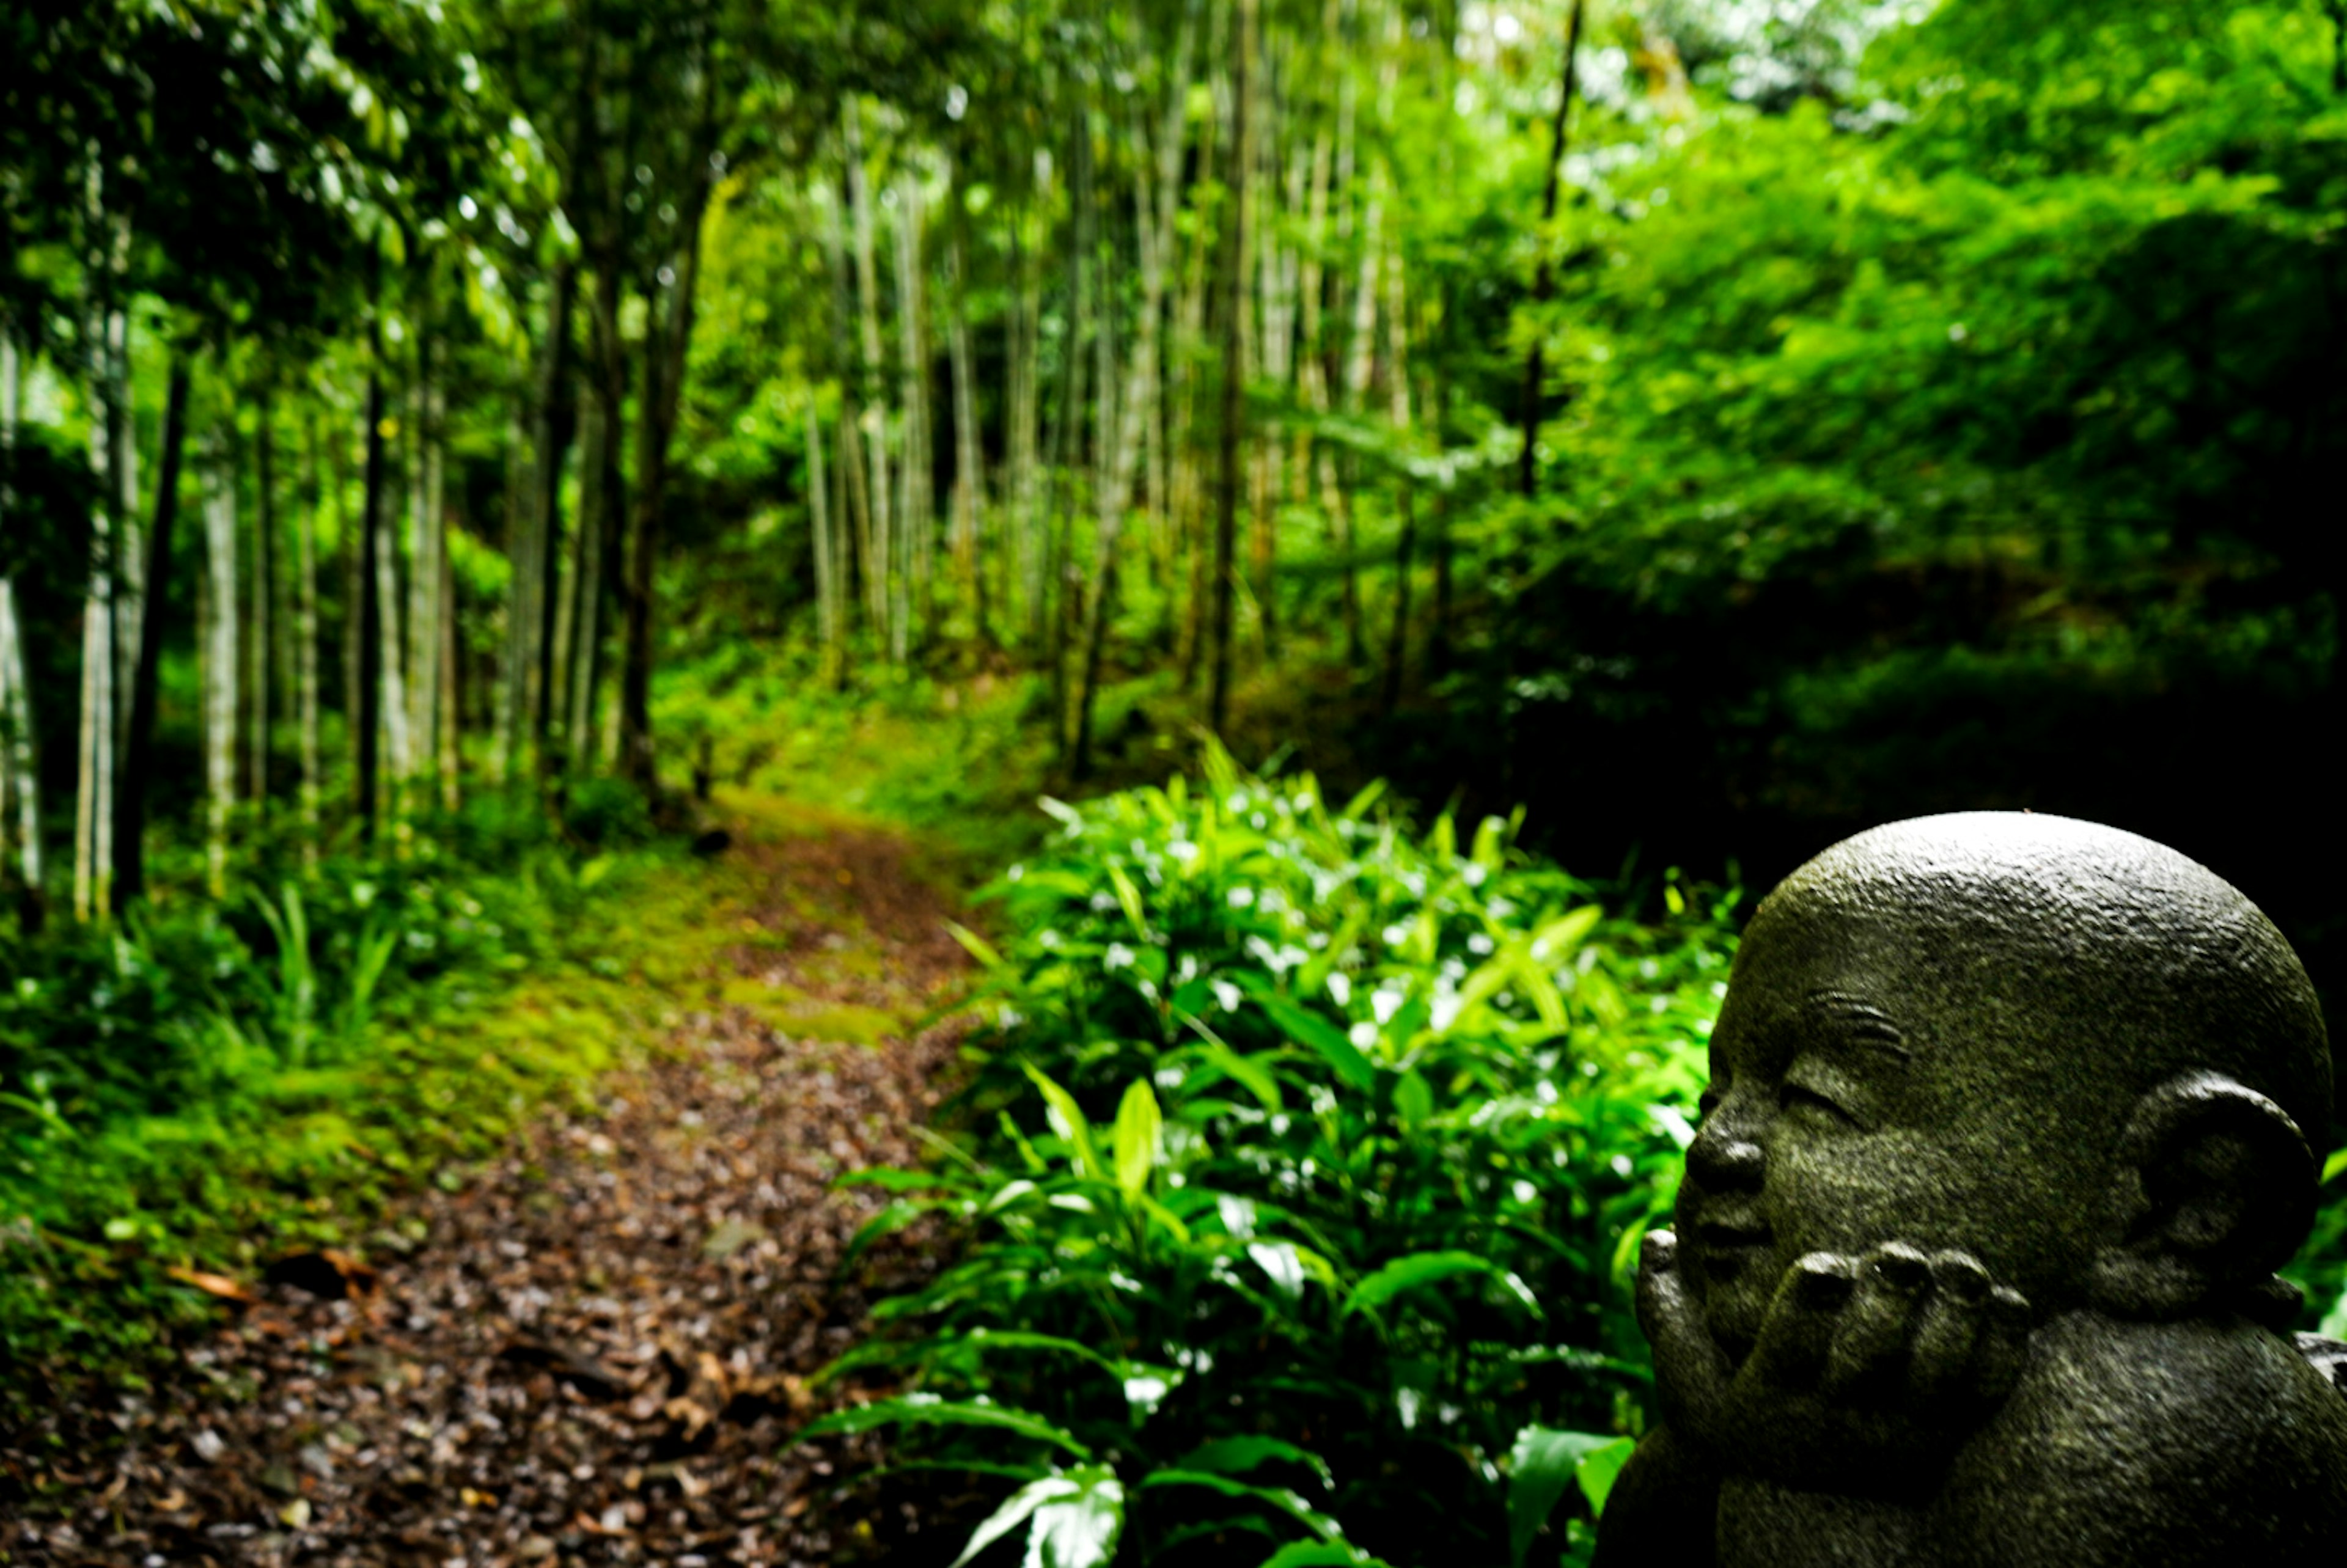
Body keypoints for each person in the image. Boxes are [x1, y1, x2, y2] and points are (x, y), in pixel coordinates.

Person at [1595, 812, 2347, 1567]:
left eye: (1816, 1099)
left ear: (2187, 1202)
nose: (1715, 1145)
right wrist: (1714, 1447)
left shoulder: (2173, 1412)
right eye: (1716, 1093)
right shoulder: (1807, 1388)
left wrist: (1800, 1479)